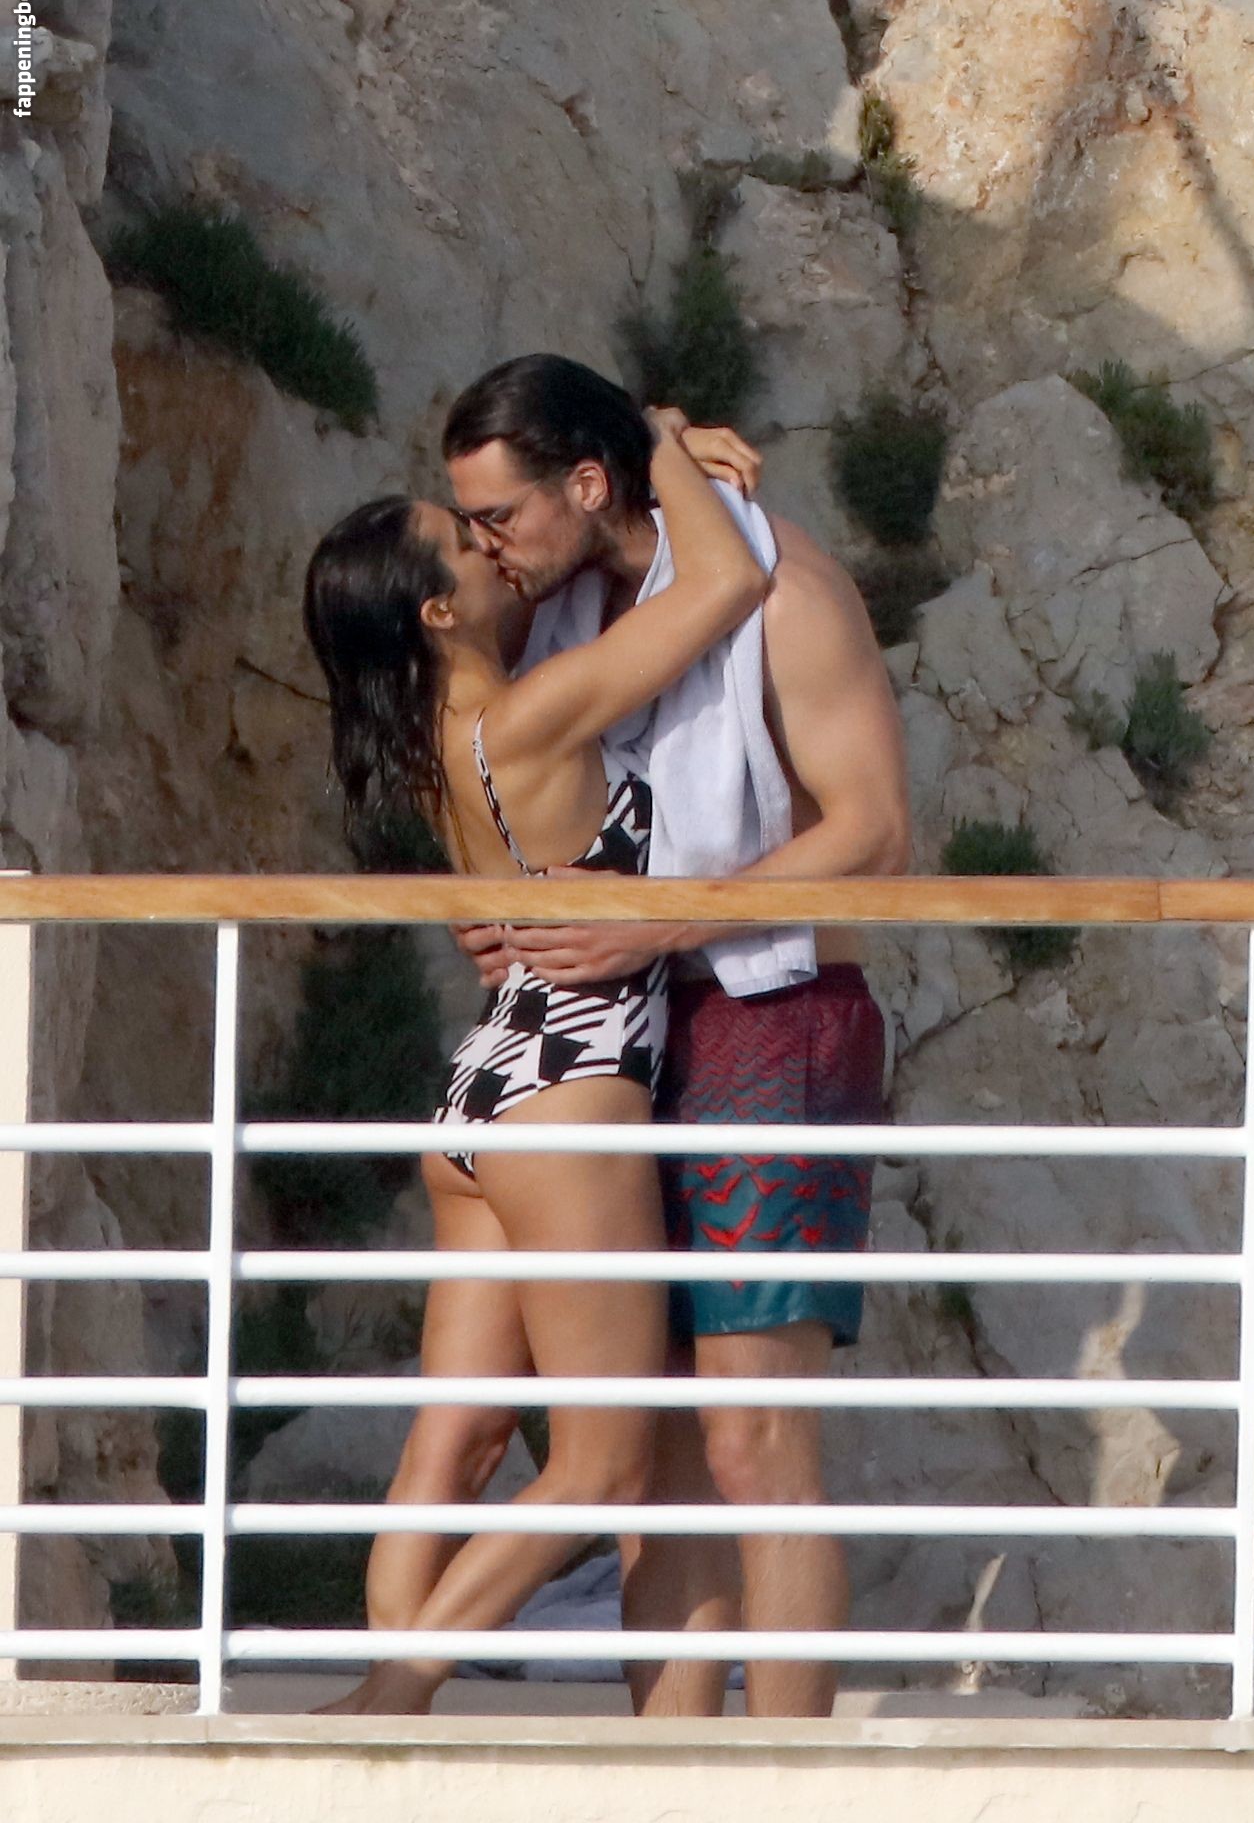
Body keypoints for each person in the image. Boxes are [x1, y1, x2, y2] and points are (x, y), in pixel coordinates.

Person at [445, 354, 911, 1720]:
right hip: (622, 1036)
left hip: (775, 1018)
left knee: (753, 1435)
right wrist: (496, 915)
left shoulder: (789, 589)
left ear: (590, 485)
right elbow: (511, 794)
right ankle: (670, 1772)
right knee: (651, 1452)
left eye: (501, 516)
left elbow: (874, 832)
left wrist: (656, 926)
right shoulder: (564, 609)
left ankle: (788, 1785)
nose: (485, 546)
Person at [302, 406, 770, 1715]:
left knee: (454, 1442)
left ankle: (384, 1727)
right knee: (604, 1465)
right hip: (571, 1089)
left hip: (482, 1091)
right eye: (465, 543)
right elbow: (728, 585)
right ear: (438, 613)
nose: (494, 546)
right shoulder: (531, 715)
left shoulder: (431, 745)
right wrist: (655, 440)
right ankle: (394, 1698)